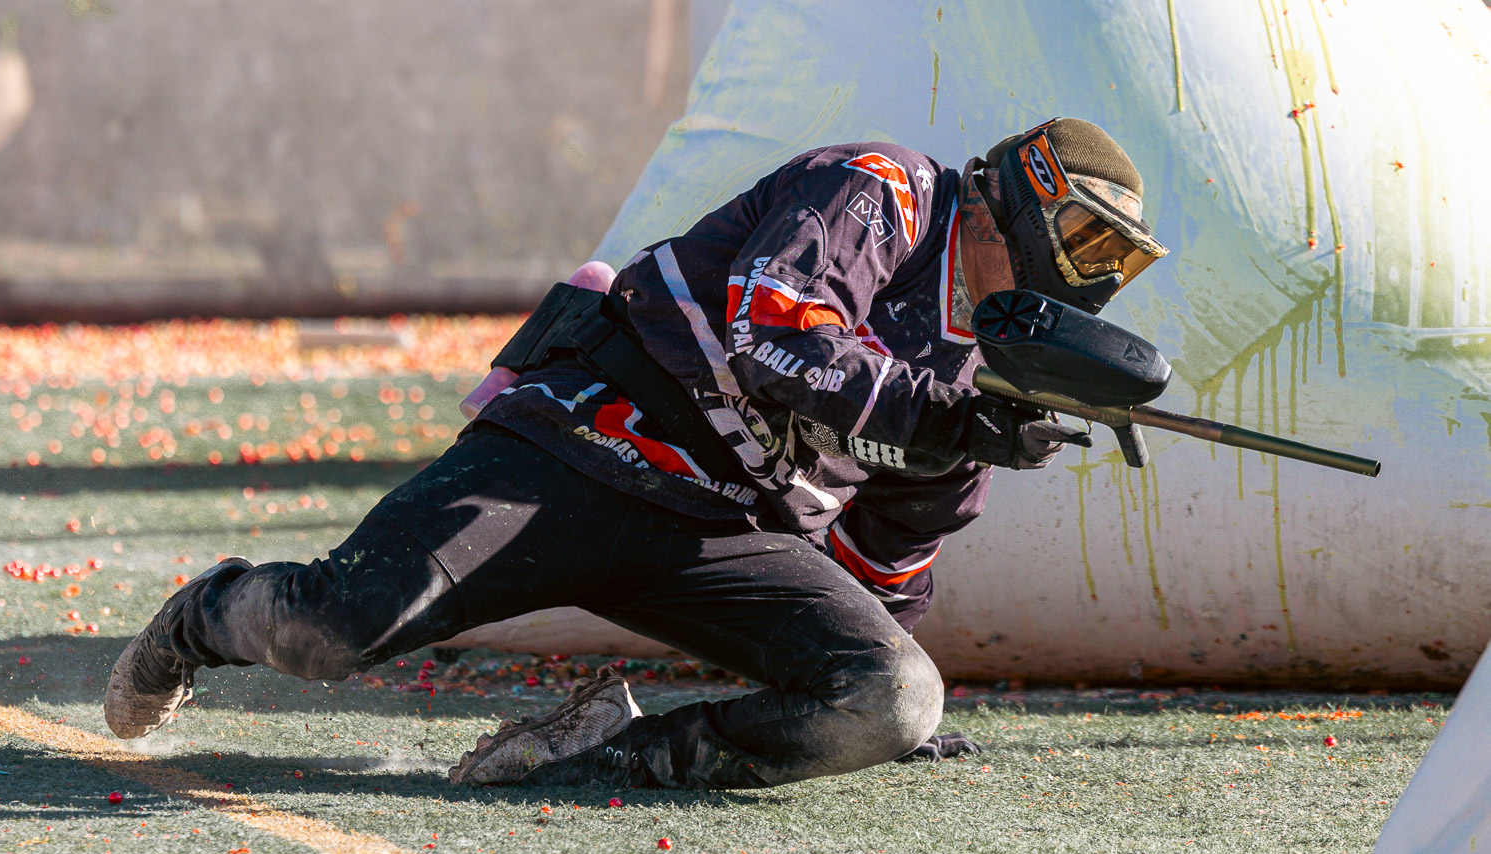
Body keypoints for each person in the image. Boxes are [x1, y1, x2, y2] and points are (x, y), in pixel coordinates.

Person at [103, 118, 1166, 790]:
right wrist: (944, 416)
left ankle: (610, 752)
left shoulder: (980, 373)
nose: (1091, 274)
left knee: (897, 695)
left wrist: (878, 697)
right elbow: (772, 337)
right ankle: (205, 613)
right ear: (1012, 198)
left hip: (721, 536)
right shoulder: (881, 191)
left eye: (1113, 262)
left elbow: (889, 555)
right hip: (582, 444)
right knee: (331, 630)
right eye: (1087, 241)